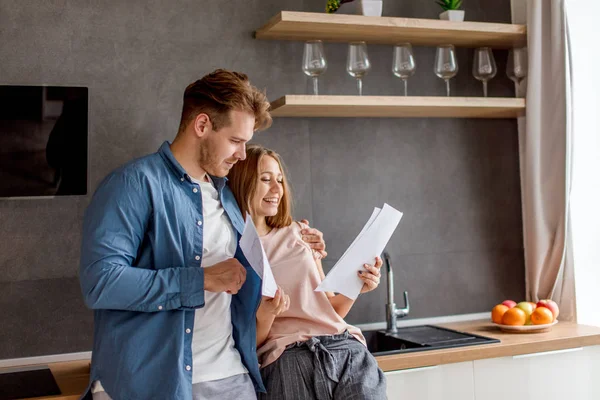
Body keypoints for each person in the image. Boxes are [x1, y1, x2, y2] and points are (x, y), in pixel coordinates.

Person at [78, 69, 327, 400]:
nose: (242, 155)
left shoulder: (226, 195)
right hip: (152, 384)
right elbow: (101, 283)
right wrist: (199, 280)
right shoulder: (133, 184)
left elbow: (257, 248)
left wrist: (301, 240)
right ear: (202, 125)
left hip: (232, 376)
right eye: (236, 141)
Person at [227, 145, 387, 400]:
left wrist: (357, 286)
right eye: (265, 179)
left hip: (346, 351)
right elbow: (250, 343)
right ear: (242, 181)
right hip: (288, 359)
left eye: (279, 180)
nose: (277, 189)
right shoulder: (232, 249)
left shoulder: (302, 234)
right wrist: (267, 316)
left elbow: (330, 309)